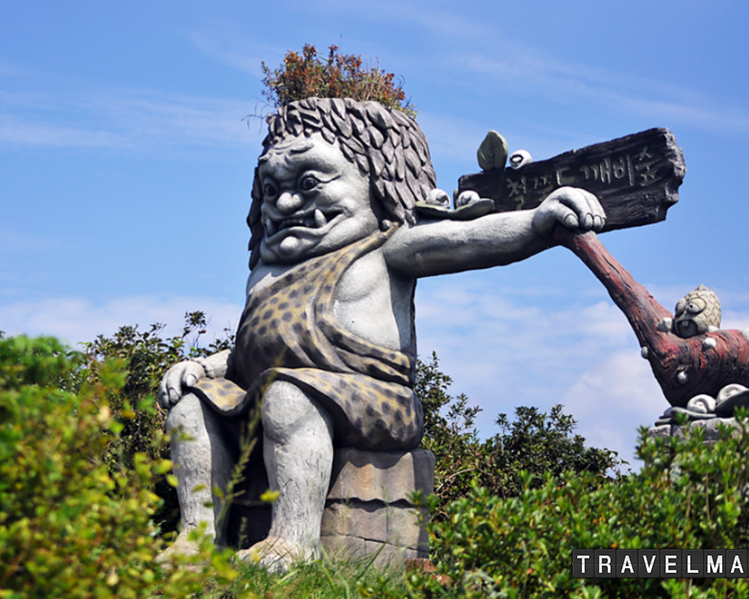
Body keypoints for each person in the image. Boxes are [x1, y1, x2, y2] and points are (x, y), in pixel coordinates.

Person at [157, 97, 605, 570]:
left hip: (376, 397)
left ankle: (295, 542)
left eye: (309, 182)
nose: (286, 202)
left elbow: (468, 242)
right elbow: (253, 350)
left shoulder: (384, 248)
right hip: (273, 393)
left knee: (289, 394)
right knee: (192, 405)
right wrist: (204, 367)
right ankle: (198, 540)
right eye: (272, 188)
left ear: (377, 180)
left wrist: (536, 222)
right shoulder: (265, 274)